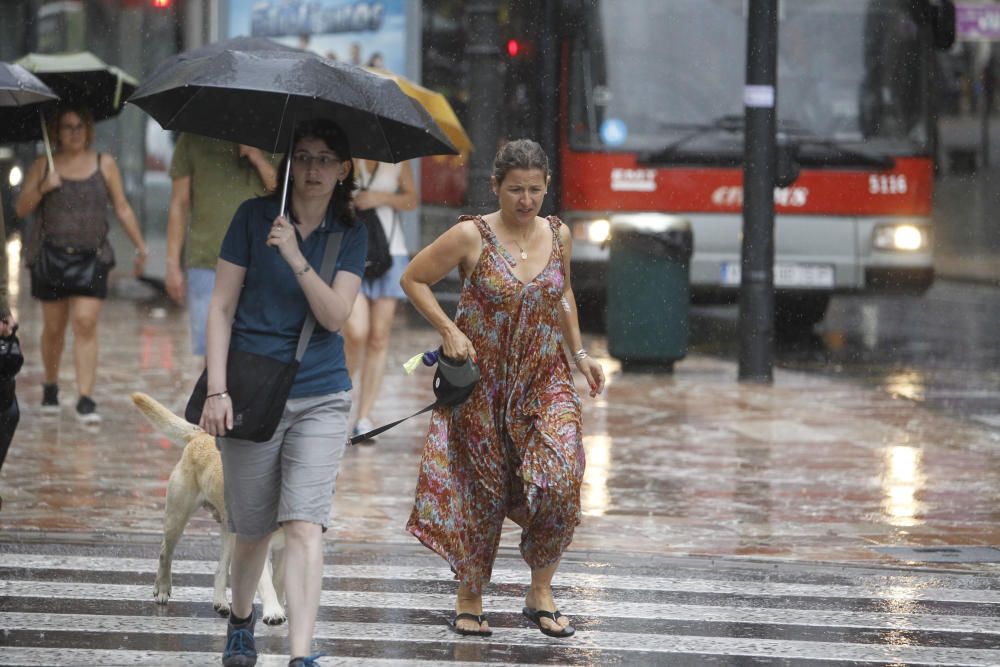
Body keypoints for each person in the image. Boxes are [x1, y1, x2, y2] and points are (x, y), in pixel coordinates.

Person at [400, 139, 605, 638]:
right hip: (483, 386)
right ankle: (469, 597)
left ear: (547, 187)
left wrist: (579, 354)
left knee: (563, 475)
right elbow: (414, 278)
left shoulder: (559, 235)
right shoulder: (471, 236)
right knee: (480, 492)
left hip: (544, 379)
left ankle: (540, 589)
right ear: (496, 187)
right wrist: (449, 329)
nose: (526, 199)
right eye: (515, 189)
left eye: (535, 189)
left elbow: (564, 293)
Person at [199, 119, 366, 667]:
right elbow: (221, 308)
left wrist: (296, 256)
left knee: (303, 524)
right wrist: (216, 391)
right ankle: (242, 620)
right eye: (304, 156)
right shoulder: (252, 218)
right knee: (252, 529)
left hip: (321, 394)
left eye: (325, 158)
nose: (314, 168)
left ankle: (300, 654)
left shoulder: (351, 232)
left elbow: (335, 316)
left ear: (344, 170)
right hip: (250, 391)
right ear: (289, 163)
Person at [16, 105, 147, 423]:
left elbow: (122, 208)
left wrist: (141, 247)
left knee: (86, 323)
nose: (73, 133)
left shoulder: (105, 164)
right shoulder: (43, 164)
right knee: (54, 327)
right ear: (56, 132)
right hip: (51, 256)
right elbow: (21, 208)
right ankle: (50, 385)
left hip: (92, 256)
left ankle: (86, 396)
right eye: (66, 127)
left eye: (78, 126)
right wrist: (43, 186)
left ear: (88, 129)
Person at [166, 133, 279, 362]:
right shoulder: (192, 138)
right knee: (212, 348)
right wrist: (172, 264)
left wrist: (257, 157)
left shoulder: (273, 137)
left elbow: (283, 194)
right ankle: (215, 395)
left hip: (258, 262)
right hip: (206, 258)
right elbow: (179, 203)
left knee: (255, 346)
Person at [343, 159, 417, 440]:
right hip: (352, 250)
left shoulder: (398, 160)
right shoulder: (349, 157)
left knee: (378, 337)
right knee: (356, 331)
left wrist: (378, 198)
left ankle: (364, 417)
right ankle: (340, 402)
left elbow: (411, 200)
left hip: (390, 251)